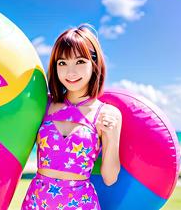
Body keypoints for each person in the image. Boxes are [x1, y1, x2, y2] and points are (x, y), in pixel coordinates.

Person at [21, 24, 122, 210]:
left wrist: (112, 135)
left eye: (80, 61)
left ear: (94, 63)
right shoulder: (44, 104)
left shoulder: (107, 113)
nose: (71, 72)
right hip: (37, 201)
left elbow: (109, 178)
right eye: (62, 63)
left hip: (80, 204)